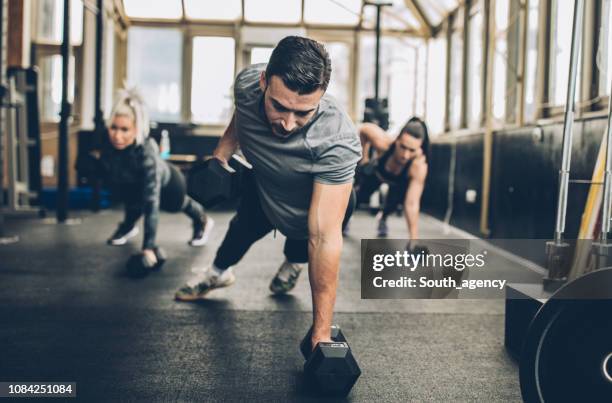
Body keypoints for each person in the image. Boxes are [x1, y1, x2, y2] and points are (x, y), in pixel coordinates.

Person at [175, 36, 361, 351]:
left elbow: (325, 238)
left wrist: (321, 335)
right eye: (279, 106)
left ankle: (293, 263)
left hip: (312, 199)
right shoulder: (247, 83)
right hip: (266, 185)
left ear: (322, 96)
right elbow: (243, 115)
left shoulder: (337, 140)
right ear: (264, 82)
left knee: (308, 237)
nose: (288, 124)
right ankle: (218, 273)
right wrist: (221, 154)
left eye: (303, 113)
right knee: (242, 227)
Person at [101, 88, 214, 265]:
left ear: (136, 129)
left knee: (177, 204)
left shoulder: (147, 154)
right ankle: (129, 226)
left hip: (171, 184)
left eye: (124, 129)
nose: (117, 135)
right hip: (137, 184)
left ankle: (203, 220)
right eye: (114, 128)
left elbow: (151, 203)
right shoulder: (111, 147)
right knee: (131, 191)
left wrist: (148, 247)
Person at [353, 117, 429, 238]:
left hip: (398, 184)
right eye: (403, 147)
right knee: (356, 197)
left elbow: (412, 204)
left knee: (392, 206)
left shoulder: (418, 166)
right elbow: (363, 129)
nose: (405, 155)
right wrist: (364, 159)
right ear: (397, 139)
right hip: (377, 174)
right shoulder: (384, 143)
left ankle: (383, 218)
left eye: (412, 150)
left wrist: (414, 241)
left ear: (419, 148)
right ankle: (344, 219)